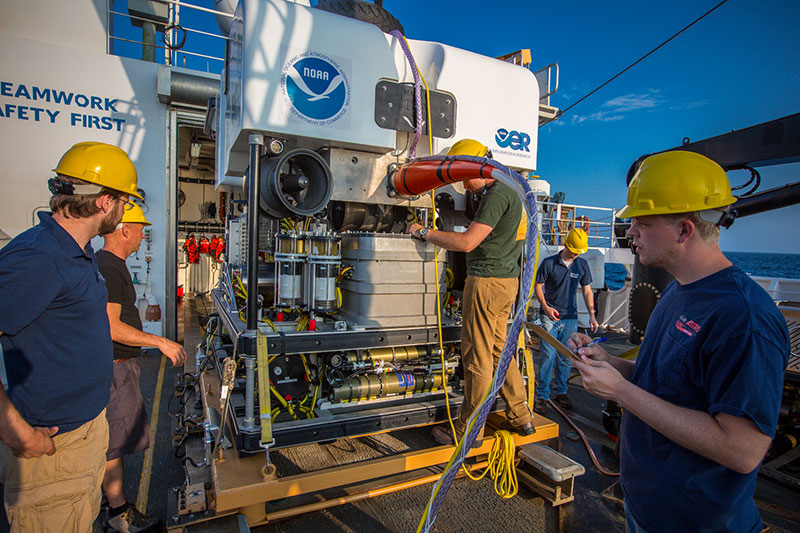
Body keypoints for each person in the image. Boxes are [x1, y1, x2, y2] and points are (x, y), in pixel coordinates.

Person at [569, 151, 789, 532]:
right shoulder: (677, 291)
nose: (630, 231)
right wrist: (610, 364)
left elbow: (743, 450)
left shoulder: (744, 318)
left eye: (642, 222)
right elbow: (667, 380)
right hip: (646, 507)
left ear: (684, 231)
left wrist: (621, 391)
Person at [0, 142, 140, 532]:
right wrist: (16, 430)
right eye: (123, 202)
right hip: (51, 447)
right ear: (103, 202)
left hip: (83, 432)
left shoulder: (77, 253)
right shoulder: (39, 257)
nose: (124, 211)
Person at [407, 139, 535, 446]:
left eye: (465, 176)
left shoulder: (497, 195)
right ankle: (521, 417)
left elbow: (466, 244)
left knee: (477, 360)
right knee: (499, 353)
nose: (463, 186)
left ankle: (469, 432)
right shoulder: (510, 190)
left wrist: (424, 232)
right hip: (506, 283)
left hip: (486, 284)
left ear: (481, 167)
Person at [96, 202, 187, 532]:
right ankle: (118, 512)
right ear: (125, 230)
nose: (142, 236)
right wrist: (161, 342)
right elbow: (110, 326)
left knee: (116, 442)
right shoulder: (107, 266)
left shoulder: (112, 264)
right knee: (113, 445)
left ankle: (111, 503)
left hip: (121, 367)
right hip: (115, 369)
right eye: (141, 230)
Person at [533, 227, 599, 414]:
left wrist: (592, 315)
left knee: (566, 357)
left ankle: (561, 391)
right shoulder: (549, 263)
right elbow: (539, 287)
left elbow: (587, 290)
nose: (577, 254)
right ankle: (543, 396)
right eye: (574, 250)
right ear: (566, 245)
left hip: (570, 317)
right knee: (547, 356)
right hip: (549, 317)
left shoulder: (582, 265)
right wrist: (546, 307)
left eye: (580, 251)